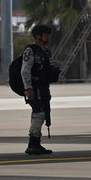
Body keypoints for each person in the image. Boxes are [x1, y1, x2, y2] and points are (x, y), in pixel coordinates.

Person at [22, 24, 59, 156]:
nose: (48, 36)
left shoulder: (45, 52)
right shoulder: (31, 51)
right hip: (35, 88)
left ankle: (36, 143)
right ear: (38, 36)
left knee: (43, 114)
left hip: (43, 88)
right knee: (39, 114)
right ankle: (33, 144)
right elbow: (25, 71)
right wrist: (28, 88)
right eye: (45, 34)